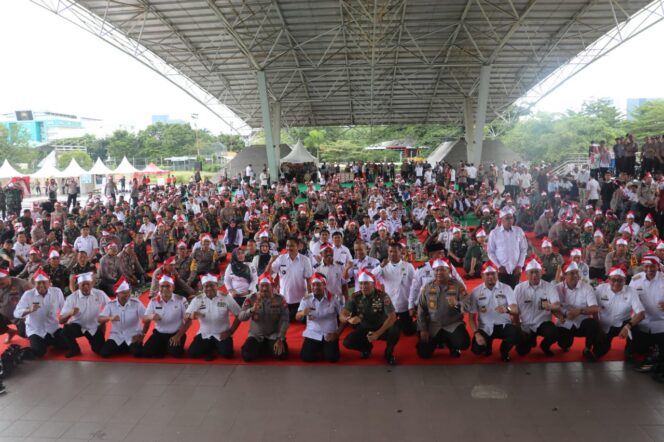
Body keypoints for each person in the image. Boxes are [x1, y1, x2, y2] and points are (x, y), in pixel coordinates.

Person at [339, 269, 400, 365]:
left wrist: (377, 333)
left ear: (373, 284)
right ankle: (366, 348)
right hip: (364, 327)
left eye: (366, 283)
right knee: (347, 342)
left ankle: (389, 352)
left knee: (394, 331)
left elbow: (392, 317)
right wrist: (349, 319)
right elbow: (342, 314)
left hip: (381, 327)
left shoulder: (383, 296)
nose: (363, 287)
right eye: (361, 284)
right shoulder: (355, 296)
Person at [416, 258, 470, 358]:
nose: (439, 272)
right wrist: (423, 329)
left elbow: (467, 305)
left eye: (442, 270)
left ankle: (452, 346)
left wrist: (457, 304)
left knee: (463, 343)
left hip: (452, 324)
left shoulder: (457, 285)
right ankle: (439, 341)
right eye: (436, 270)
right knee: (423, 353)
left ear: (448, 271)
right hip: (433, 325)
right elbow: (421, 310)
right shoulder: (427, 287)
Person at [468, 262, 520, 361]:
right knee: (477, 350)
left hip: (503, 325)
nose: (491, 276)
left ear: (497, 274)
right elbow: (471, 317)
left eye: (493, 274)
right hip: (485, 327)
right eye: (487, 274)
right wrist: (476, 334)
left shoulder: (506, 288)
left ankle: (504, 351)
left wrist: (507, 309)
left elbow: (515, 309)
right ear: (482, 275)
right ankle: (487, 346)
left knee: (517, 334)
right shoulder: (476, 291)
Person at [593, 265, 645, 360]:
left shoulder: (631, 291)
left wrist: (628, 326)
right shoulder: (600, 289)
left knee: (636, 329)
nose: (616, 283)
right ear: (608, 279)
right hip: (603, 326)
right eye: (613, 280)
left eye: (620, 280)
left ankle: (630, 352)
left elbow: (641, 313)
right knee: (598, 352)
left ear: (625, 280)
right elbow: (593, 308)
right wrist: (598, 326)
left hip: (622, 324)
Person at [13, 269, 67, 357]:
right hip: (35, 330)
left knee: (67, 345)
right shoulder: (28, 294)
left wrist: (69, 317)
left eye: (44, 282)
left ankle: (48, 341)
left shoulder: (57, 292)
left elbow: (64, 309)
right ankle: (16, 352)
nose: (41, 285)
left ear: (49, 282)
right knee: (39, 352)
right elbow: (16, 313)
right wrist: (29, 310)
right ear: (34, 283)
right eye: (38, 283)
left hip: (53, 328)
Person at [186, 273, 241, 360]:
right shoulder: (198, 299)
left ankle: (214, 348)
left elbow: (239, 315)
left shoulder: (226, 298)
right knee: (193, 353)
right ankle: (212, 347)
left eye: (212, 285)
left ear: (217, 285)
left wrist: (230, 332)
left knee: (227, 354)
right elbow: (187, 314)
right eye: (206, 286)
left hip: (222, 334)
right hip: (205, 334)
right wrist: (191, 315)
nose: (209, 288)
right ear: (202, 287)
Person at [513, 257, 560, 357]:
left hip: (542, 323)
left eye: (537, 272)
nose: (534, 275)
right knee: (521, 351)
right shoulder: (519, 288)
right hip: (525, 325)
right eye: (531, 272)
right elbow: (514, 308)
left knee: (554, 333)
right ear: (526, 274)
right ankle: (530, 338)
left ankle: (545, 346)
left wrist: (550, 306)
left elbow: (557, 305)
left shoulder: (549, 287)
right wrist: (516, 325)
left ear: (541, 273)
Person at [238, 273, 289, 361]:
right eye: (262, 286)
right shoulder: (251, 298)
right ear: (258, 286)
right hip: (256, 335)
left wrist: (281, 338)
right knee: (248, 356)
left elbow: (285, 319)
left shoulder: (280, 299)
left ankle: (265, 347)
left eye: (267, 286)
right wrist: (251, 310)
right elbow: (241, 317)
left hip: (274, 335)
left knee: (282, 356)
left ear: (271, 286)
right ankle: (262, 347)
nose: (264, 288)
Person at [555, 261, 600, 360]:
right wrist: (562, 315)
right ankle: (565, 345)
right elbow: (553, 307)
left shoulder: (587, 288)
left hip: (582, 322)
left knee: (593, 324)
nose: (575, 275)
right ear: (565, 275)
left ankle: (587, 349)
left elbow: (594, 308)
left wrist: (579, 311)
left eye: (576, 272)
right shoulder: (557, 288)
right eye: (572, 273)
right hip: (565, 321)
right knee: (564, 343)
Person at [59, 272, 110, 358]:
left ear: (92, 284)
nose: (86, 287)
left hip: (93, 327)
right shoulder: (72, 298)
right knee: (66, 330)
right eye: (83, 285)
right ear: (78, 285)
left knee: (101, 351)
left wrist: (104, 319)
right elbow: (61, 320)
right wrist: (70, 313)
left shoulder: (100, 294)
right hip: (78, 326)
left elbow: (111, 307)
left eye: (88, 284)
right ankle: (74, 349)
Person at [296, 272, 345, 362]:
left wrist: (337, 334)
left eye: (318, 285)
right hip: (313, 333)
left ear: (324, 285)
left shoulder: (335, 298)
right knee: (306, 357)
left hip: (329, 333)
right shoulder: (306, 299)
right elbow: (297, 317)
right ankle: (320, 348)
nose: (315, 287)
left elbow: (344, 319)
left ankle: (324, 348)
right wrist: (302, 313)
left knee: (332, 358)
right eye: (313, 285)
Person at [372, 242, 416, 335]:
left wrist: (413, 304)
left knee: (409, 333)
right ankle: (394, 323)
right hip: (390, 304)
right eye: (390, 251)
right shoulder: (384, 266)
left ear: (401, 252)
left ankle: (402, 323)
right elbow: (371, 276)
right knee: (389, 332)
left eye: (395, 251)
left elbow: (415, 285)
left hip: (404, 303)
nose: (392, 254)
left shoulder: (408, 266)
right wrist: (380, 266)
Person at [629, 255, 664, 372]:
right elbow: (629, 299)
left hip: (661, 323)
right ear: (642, 266)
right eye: (646, 266)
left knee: (661, 355)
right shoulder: (635, 279)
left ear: (658, 266)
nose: (649, 269)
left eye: (652, 266)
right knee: (638, 351)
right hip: (642, 322)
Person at [142, 274, 190, 358]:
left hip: (175, 333)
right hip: (159, 334)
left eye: (168, 286)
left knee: (175, 353)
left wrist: (178, 335)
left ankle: (167, 347)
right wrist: (151, 317)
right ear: (159, 287)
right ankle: (164, 347)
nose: (164, 289)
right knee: (146, 352)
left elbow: (189, 321)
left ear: (173, 288)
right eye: (162, 286)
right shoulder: (153, 301)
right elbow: (145, 318)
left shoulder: (181, 300)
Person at [266, 237, 313, 321]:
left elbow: (309, 280)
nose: (289, 248)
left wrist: (310, 299)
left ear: (298, 246)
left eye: (292, 246)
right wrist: (270, 262)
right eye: (287, 246)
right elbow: (268, 273)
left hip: (300, 300)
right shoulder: (281, 258)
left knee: (298, 319)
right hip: (284, 299)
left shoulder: (305, 260)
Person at [98, 276, 146, 358]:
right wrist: (110, 318)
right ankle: (126, 347)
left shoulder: (136, 303)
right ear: (117, 294)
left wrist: (142, 334)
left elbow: (146, 318)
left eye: (128, 292)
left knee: (137, 353)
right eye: (124, 293)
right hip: (117, 335)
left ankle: (127, 347)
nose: (127, 295)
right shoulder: (110, 305)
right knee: (104, 353)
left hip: (133, 335)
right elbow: (99, 319)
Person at [487, 207, 528, 288]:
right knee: (502, 292)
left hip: (515, 269)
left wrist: (520, 265)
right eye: (507, 218)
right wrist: (499, 266)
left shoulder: (519, 231)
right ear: (501, 220)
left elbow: (523, 250)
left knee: (515, 291)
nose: (510, 220)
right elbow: (490, 252)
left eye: (511, 218)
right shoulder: (494, 233)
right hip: (501, 270)